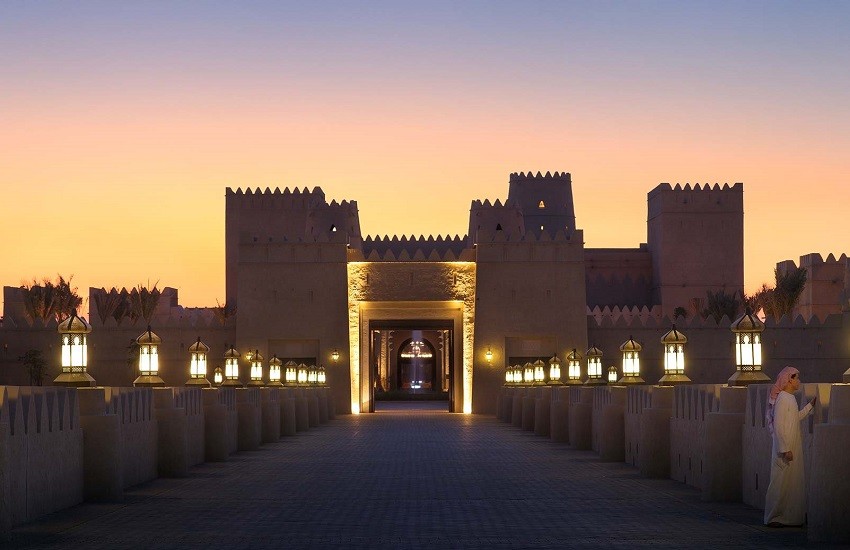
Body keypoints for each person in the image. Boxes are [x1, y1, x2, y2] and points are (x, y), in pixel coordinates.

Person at [763, 366, 816, 527]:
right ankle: (774, 517)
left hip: (791, 447)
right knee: (780, 484)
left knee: (791, 483)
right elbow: (779, 426)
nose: (798, 381)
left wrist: (810, 406)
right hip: (784, 451)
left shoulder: (789, 398)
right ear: (789, 380)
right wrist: (785, 449)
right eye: (796, 378)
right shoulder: (783, 399)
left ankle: (790, 517)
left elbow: (795, 417)